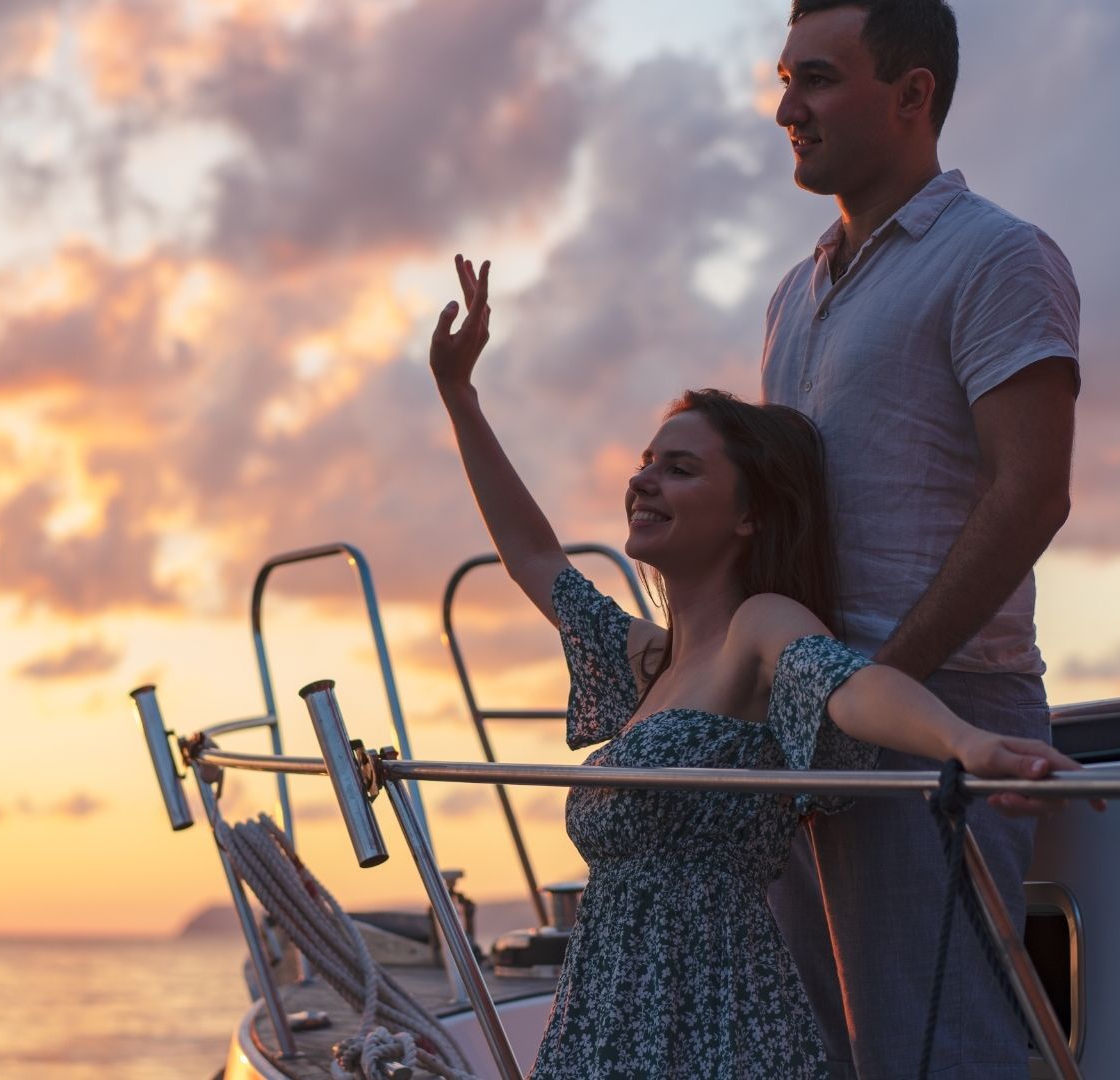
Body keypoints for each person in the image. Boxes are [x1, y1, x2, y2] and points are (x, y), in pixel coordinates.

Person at [428, 253, 1081, 1079]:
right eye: (645, 461)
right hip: (604, 1021)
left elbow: (850, 684)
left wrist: (961, 741)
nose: (643, 480)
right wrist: (460, 396)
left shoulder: (758, 630)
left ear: (747, 515)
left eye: (680, 467)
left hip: (717, 1027)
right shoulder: (646, 662)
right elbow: (531, 553)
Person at [760, 1, 1082, 1077]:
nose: (786, 109)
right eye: (785, 78)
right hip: (817, 717)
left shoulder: (999, 257)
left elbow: (1032, 494)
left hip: (939, 708)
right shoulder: (793, 294)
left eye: (817, 78)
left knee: (934, 1055)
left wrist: (878, 691)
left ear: (913, 95)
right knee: (823, 1058)